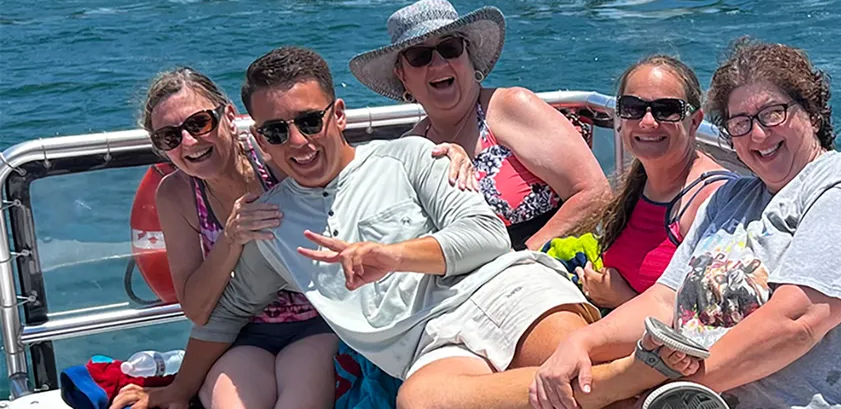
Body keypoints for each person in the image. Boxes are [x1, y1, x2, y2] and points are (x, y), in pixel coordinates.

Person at [112, 46, 599, 409]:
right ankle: (629, 375)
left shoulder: (409, 155)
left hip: (502, 294)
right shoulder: (271, 218)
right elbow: (224, 311)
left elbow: (488, 236)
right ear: (261, 137)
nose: (298, 142)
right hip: (429, 344)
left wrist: (391, 255)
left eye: (309, 121)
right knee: (422, 401)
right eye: (279, 132)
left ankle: (623, 382)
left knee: (579, 377)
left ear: (338, 115)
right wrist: (177, 389)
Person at [530, 38, 841, 409]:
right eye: (740, 122)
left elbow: (797, 321)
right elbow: (665, 299)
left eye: (773, 113)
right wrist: (584, 342)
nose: (758, 133)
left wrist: (668, 391)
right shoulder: (729, 200)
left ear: (813, 113)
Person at [139, 68, 337, 409]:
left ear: (229, 116)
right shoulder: (176, 194)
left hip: (318, 323)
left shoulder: (279, 161)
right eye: (170, 137)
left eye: (199, 123)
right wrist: (231, 239)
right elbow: (197, 309)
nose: (188, 142)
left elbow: (348, 167)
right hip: (243, 334)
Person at [349, 0, 610, 251]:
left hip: (539, 268)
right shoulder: (412, 147)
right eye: (419, 56)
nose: (438, 63)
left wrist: (523, 259)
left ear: (469, 55)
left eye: (450, 48)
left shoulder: (510, 107)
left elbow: (595, 193)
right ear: (402, 75)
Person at [574, 56, 735, 310]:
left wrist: (622, 300)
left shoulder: (711, 201)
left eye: (666, 110)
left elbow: (715, 321)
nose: (648, 122)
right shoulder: (639, 184)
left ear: (694, 122)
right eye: (632, 108)